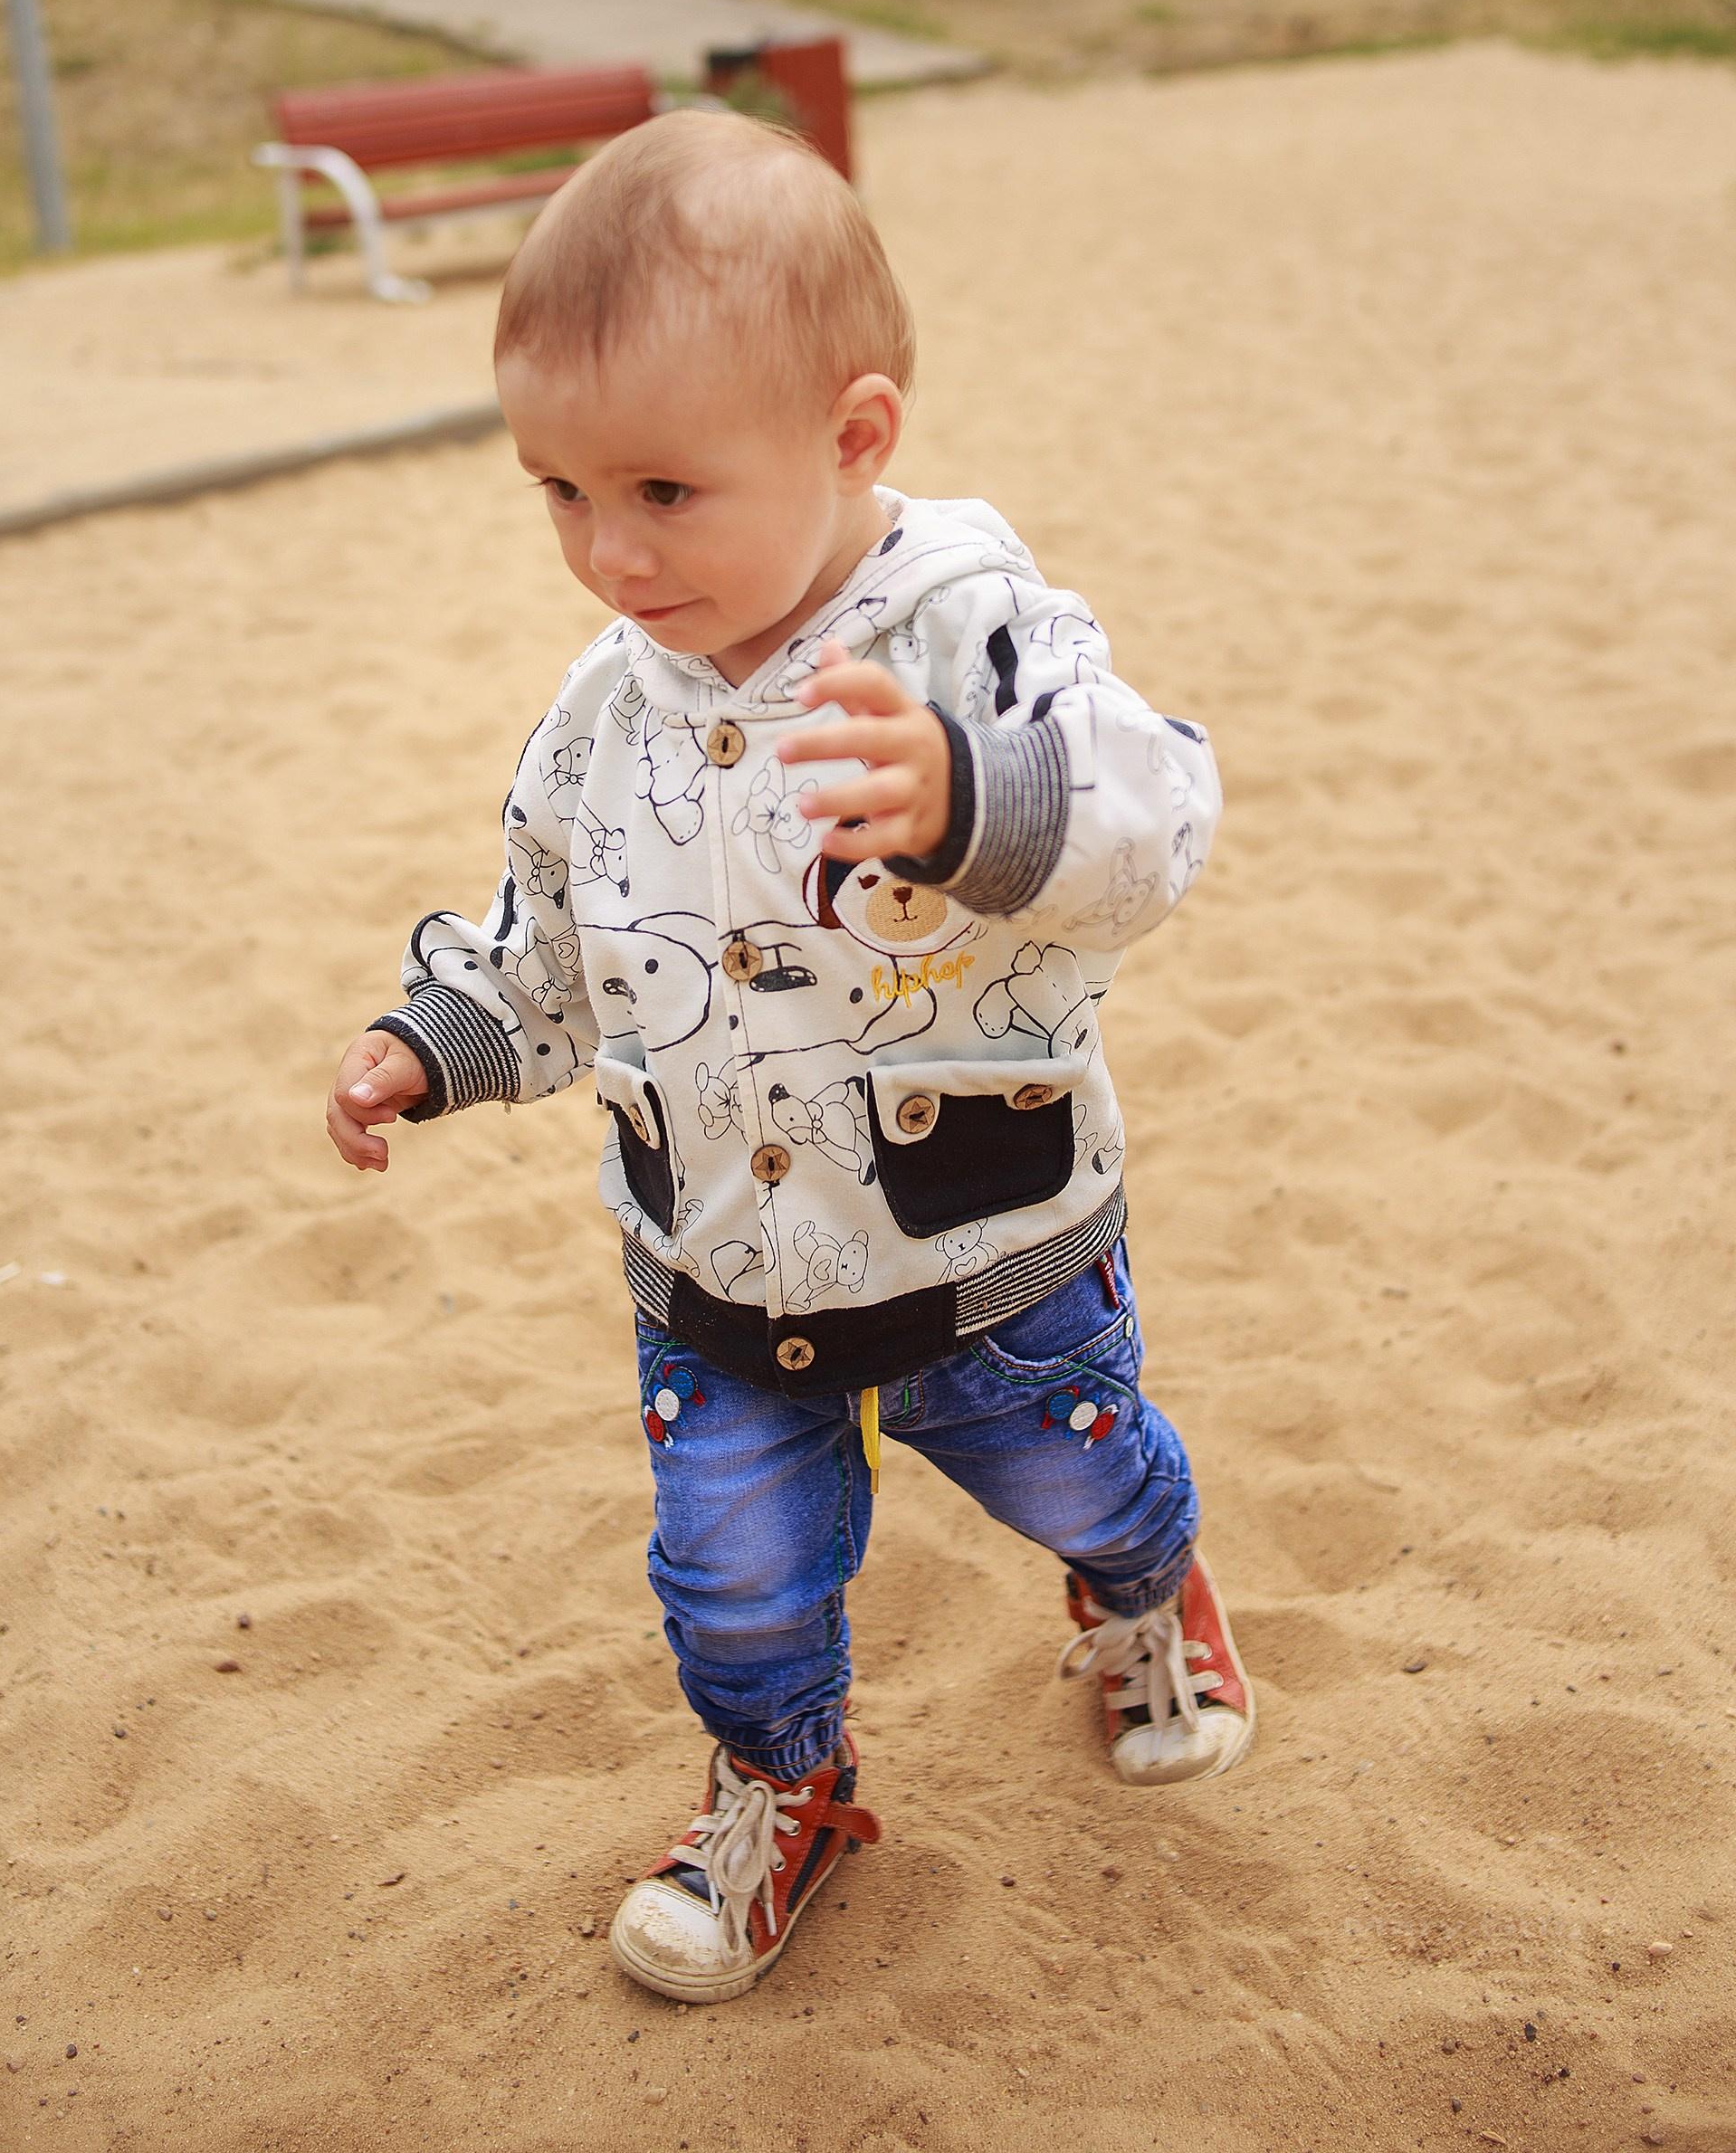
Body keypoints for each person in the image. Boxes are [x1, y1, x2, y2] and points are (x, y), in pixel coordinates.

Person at [325, 110, 1251, 2006]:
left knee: (1082, 1481)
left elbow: (1158, 821)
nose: (606, 551)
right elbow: (553, 944)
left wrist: (975, 802)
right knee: (733, 1578)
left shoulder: (973, 634)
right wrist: (443, 1038)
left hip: (984, 1246)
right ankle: (786, 1782)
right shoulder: (603, 714)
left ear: (853, 440)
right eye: (559, 492)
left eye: (662, 489)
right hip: (716, 1269)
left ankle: (1145, 1592)